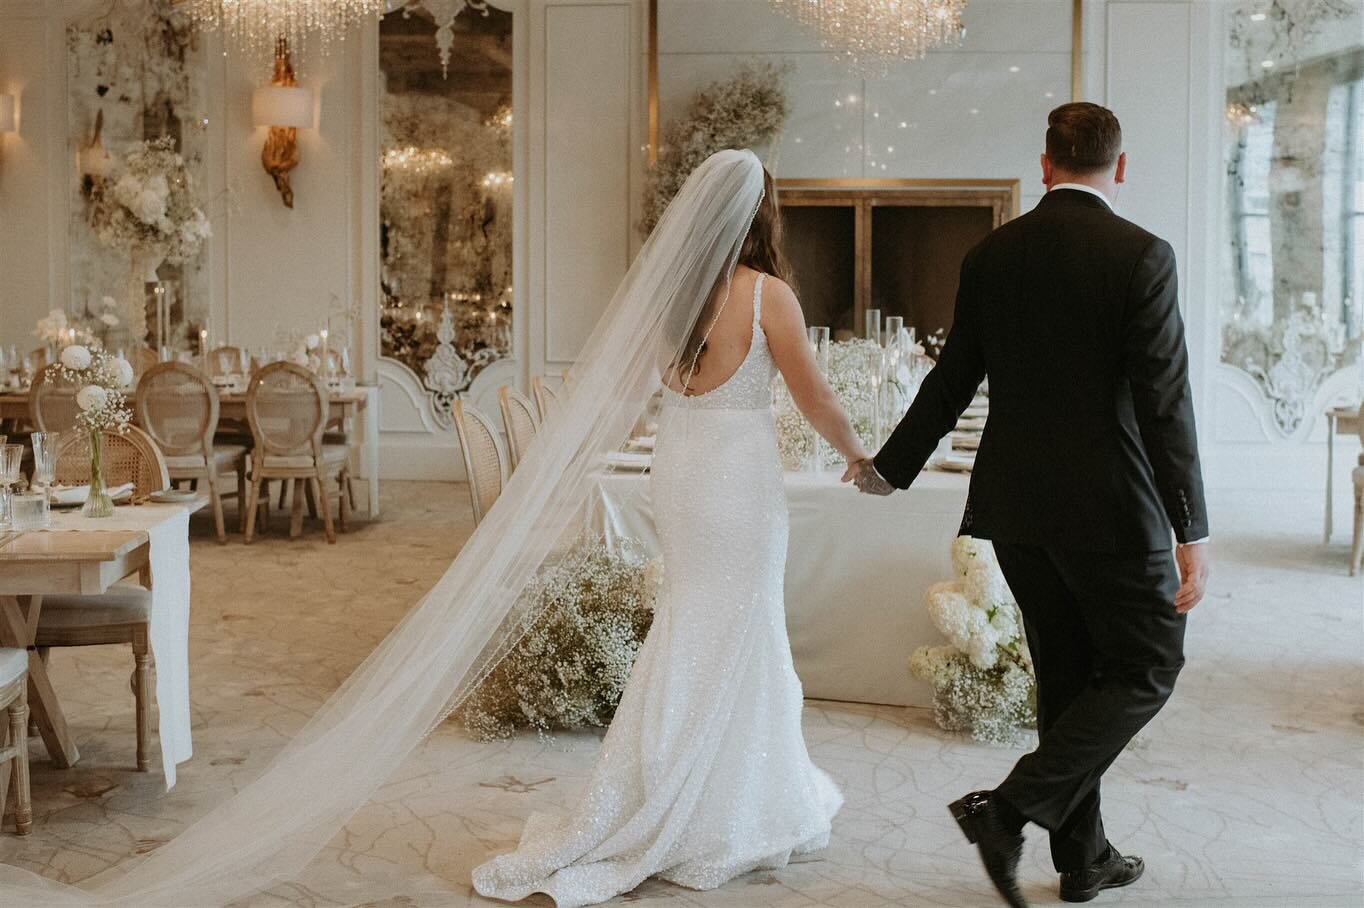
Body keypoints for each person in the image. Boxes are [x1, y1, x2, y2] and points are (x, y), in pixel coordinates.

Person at [472, 154, 868, 907]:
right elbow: (813, 396)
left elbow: (633, 397)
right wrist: (858, 455)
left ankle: (676, 779)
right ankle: (721, 806)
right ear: (762, 215)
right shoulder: (767, 296)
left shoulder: (672, 301)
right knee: (746, 621)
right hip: (738, 478)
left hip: (682, 470)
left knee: (692, 620)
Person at [850, 102, 1210, 906]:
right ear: (1120, 168)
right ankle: (1007, 810)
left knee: (1070, 680)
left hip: (1015, 512)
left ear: (1044, 165)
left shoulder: (992, 254)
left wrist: (890, 467)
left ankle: (1085, 860)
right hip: (1115, 512)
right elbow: (1166, 405)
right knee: (1149, 665)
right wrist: (1192, 526)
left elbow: (952, 380)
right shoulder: (1143, 255)